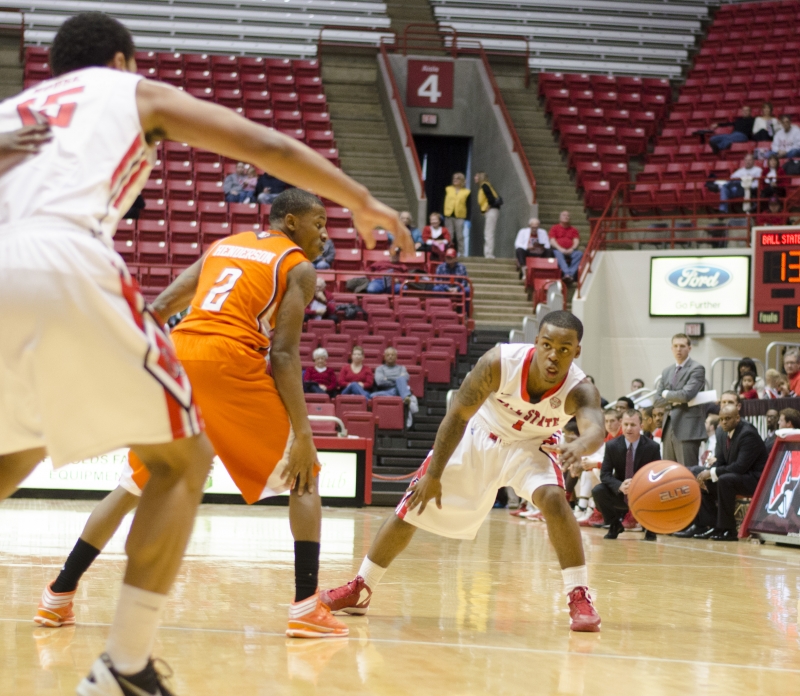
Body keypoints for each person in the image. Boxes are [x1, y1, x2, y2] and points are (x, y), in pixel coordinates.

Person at [0, 12, 409, 695]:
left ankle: (68, 599)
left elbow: (167, 297)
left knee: (19, 449)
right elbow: (263, 143)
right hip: (69, 259)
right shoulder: (127, 93)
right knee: (181, 462)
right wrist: (361, 200)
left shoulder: (14, 110)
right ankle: (125, 666)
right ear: (123, 62)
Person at [34, 189, 351, 644]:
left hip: (179, 356)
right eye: (318, 221)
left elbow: (160, 307)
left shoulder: (223, 247)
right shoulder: (298, 266)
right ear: (288, 222)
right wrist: (303, 433)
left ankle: (57, 595)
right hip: (229, 364)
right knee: (305, 475)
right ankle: (305, 607)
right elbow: (282, 355)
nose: (325, 232)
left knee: (133, 485)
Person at [320, 312, 606, 632]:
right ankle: (361, 587)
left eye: (565, 349)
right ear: (536, 342)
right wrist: (434, 475)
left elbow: (595, 430)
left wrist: (579, 446)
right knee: (413, 504)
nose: (554, 355)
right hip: (479, 435)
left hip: (532, 445)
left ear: (577, 351)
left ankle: (579, 593)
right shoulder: (499, 363)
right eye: (547, 345)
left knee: (554, 499)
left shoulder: (581, 389)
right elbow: (457, 416)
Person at [688, 405, 768, 541]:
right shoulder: (721, 432)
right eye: (721, 419)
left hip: (754, 478)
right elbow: (720, 461)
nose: (724, 422)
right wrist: (709, 473)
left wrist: (712, 473)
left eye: (728, 418)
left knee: (725, 480)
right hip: (735, 474)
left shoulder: (748, 434)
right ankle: (708, 524)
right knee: (696, 472)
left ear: (737, 418)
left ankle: (728, 529)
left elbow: (741, 467)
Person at [592, 409, 662, 541]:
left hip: (643, 492)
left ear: (641, 426)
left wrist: (638, 485)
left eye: (633, 425)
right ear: (621, 425)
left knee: (658, 491)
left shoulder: (652, 447)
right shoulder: (612, 445)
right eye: (626, 425)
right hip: (620, 493)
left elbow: (657, 475)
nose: (629, 428)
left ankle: (650, 527)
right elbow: (605, 474)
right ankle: (615, 524)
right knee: (598, 490)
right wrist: (619, 486)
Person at [659, 334, 706, 467]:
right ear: (671, 348)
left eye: (682, 346)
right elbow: (657, 400)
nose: (678, 349)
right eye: (675, 346)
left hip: (687, 429)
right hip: (668, 426)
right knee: (668, 472)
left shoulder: (697, 368)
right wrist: (676, 399)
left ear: (689, 348)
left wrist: (667, 394)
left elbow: (686, 395)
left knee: (687, 473)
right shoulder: (666, 371)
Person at [549, 210, 583, 284]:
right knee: (557, 253)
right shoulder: (555, 228)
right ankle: (567, 273)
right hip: (558, 249)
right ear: (560, 218)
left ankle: (570, 274)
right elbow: (552, 241)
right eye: (564, 215)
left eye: (568, 216)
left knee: (579, 253)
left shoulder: (574, 229)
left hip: (570, 250)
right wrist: (560, 249)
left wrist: (572, 248)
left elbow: (576, 240)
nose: (566, 217)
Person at [474, 171, 501, 259]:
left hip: (491, 211)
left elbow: (491, 198)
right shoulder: (485, 186)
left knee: (489, 233)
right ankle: (488, 253)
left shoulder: (484, 185)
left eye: (476, 176)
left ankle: (489, 254)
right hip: (491, 211)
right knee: (488, 232)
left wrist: (489, 206)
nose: (475, 178)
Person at [443, 172, 470, 255]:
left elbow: (468, 205)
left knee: (460, 236)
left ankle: (461, 253)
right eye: (454, 178)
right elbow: (443, 202)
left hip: (460, 216)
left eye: (457, 178)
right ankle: (448, 252)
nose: (455, 180)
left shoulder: (466, 192)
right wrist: (441, 213)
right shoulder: (448, 189)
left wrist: (468, 218)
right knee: (449, 235)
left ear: (462, 180)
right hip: (448, 215)